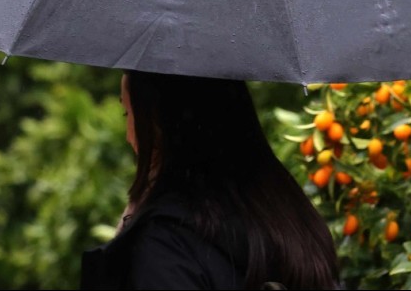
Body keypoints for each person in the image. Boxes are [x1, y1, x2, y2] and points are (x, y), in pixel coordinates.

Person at [81, 70, 340, 289]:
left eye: (128, 115)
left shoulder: (165, 246)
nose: (129, 136)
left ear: (158, 124)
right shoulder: (293, 221)